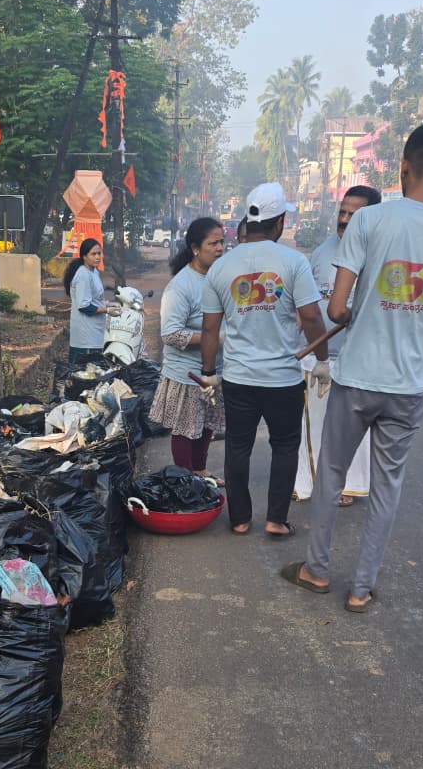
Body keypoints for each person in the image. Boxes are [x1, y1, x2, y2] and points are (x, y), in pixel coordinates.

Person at [282, 123, 423, 611]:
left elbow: (336, 310)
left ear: (403, 167)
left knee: (331, 475)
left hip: (358, 378)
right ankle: (361, 589)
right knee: (386, 487)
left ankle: (316, 570)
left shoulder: (370, 221)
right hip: (410, 387)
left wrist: (366, 309)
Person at [199, 183, 329, 536]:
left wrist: (208, 372)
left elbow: (210, 327)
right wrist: (322, 360)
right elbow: (312, 316)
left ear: (248, 219)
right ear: (280, 222)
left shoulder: (221, 267)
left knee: (238, 446)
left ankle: (240, 520)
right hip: (283, 378)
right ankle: (276, 519)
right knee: (285, 446)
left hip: (239, 377)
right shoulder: (294, 262)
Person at [294, 185, 381, 505]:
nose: (344, 220)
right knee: (313, 423)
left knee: (352, 427)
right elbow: (307, 304)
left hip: (360, 358)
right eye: (342, 212)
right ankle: (307, 482)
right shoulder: (321, 252)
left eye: (353, 215)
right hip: (319, 356)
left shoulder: (381, 255)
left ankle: (346, 485)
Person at [148, 217, 226, 478]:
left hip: (214, 369)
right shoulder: (181, 286)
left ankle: (200, 471)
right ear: (195, 248)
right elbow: (170, 333)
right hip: (186, 374)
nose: (219, 248)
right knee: (185, 428)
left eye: (222, 242)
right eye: (212, 243)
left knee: (206, 424)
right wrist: (212, 338)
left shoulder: (219, 278)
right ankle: (184, 478)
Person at [63, 238, 107, 365]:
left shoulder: (94, 272)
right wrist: (108, 310)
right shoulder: (83, 275)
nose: (97, 257)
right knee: (85, 373)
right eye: (93, 254)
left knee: (95, 372)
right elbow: (84, 306)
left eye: (99, 253)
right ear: (84, 256)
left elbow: (95, 298)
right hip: (86, 337)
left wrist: (109, 304)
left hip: (95, 333)